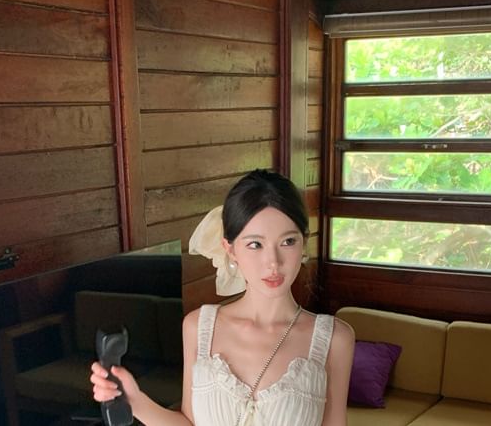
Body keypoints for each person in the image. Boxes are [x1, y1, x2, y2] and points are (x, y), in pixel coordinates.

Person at [90, 169, 355, 425]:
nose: (273, 262)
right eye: (255, 244)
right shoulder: (198, 327)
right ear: (230, 249)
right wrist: (134, 400)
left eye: (288, 242)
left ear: (304, 242)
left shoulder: (334, 339)